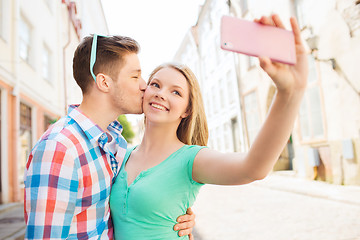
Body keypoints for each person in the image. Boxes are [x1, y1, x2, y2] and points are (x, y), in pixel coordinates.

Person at [109, 14, 308, 239]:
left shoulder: (191, 160)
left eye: (176, 92)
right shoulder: (122, 155)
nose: (161, 94)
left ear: (186, 110)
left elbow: (253, 167)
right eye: (155, 84)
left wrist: (289, 92)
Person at [24, 34, 196, 239]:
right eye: (135, 76)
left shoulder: (115, 145)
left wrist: (171, 217)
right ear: (104, 82)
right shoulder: (60, 148)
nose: (144, 86)